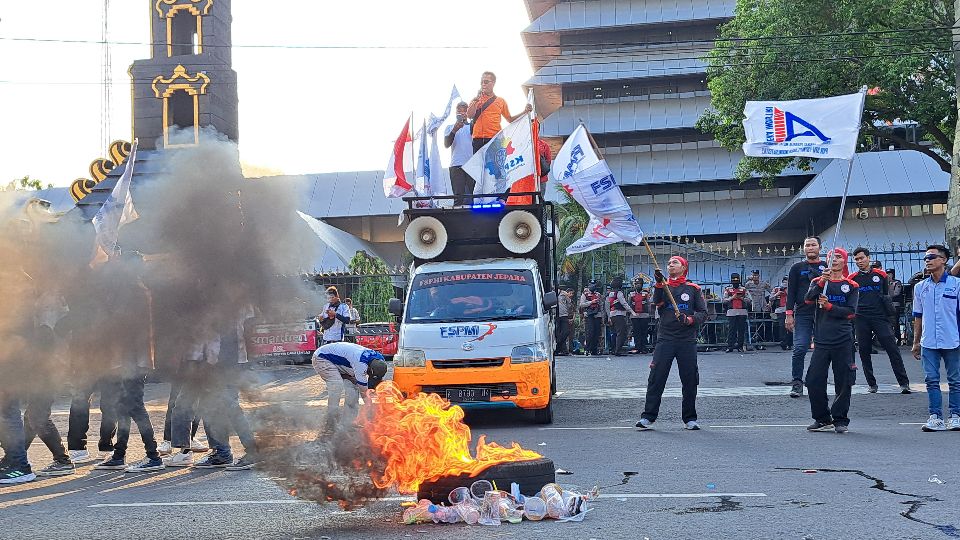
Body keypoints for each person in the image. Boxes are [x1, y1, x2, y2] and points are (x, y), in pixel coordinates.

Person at [636, 256, 707, 431]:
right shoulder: (663, 287)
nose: (670, 265)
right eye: (668, 263)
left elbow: (703, 313)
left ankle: (690, 418)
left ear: (684, 268)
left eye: (675, 262)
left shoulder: (693, 289)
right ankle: (648, 417)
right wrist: (659, 283)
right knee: (656, 377)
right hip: (665, 339)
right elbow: (657, 303)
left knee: (690, 379)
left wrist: (689, 319)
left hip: (686, 341)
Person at [804, 248, 859, 434]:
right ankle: (822, 418)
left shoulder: (851, 285)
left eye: (838, 257)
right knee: (813, 379)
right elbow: (808, 300)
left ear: (844, 261)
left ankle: (840, 419)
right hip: (821, 339)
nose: (834, 260)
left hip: (843, 339)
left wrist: (829, 306)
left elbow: (851, 312)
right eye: (831, 257)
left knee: (844, 380)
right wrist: (821, 282)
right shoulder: (818, 281)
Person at [911, 244, 960, 432]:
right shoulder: (920, 287)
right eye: (926, 258)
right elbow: (918, 316)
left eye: (932, 257)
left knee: (955, 380)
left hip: (952, 339)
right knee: (931, 379)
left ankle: (955, 415)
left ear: (944, 260)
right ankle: (935, 416)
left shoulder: (956, 285)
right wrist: (916, 342)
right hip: (929, 341)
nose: (928, 261)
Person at [851, 248, 911, 394]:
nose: (859, 261)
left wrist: (889, 316)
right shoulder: (852, 278)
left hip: (879, 317)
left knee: (892, 349)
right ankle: (872, 384)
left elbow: (886, 296)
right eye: (857, 259)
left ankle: (904, 383)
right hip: (861, 318)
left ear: (868, 258)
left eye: (862, 258)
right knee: (864, 351)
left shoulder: (881, 275)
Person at [311, 342, 388, 433]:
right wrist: (371, 410)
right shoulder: (361, 364)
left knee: (353, 387)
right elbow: (364, 394)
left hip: (340, 360)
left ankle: (348, 422)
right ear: (369, 369)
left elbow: (368, 383)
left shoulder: (380, 360)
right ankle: (331, 423)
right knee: (336, 386)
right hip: (322, 358)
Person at [786, 236, 826, 398]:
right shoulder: (797, 268)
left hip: (823, 313)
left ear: (820, 248)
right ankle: (797, 383)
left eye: (813, 245)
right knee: (800, 348)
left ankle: (817, 382)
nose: (810, 248)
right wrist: (789, 314)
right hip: (802, 313)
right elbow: (791, 292)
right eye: (807, 245)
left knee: (823, 350)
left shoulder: (827, 266)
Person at [466, 71, 533, 152]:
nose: (483, 84)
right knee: (478, 165)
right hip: (478, 139)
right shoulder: (475, 100)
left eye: (486, 82)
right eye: (481, 82)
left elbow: (510, 119)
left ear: (493, 83)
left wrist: (524, 112)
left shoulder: (500, 101)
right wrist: (476, 100)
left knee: (494, 164)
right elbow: (469, 115)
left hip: (495, 139)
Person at [443, 101, 475, 206]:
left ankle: (473, 221)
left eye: (464, 110)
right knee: (458, 198)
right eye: (459, 111)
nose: (462, 113)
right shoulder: (449, 127)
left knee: (471, 197)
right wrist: (454, 130)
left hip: (471, 165)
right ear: (455, 112)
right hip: (456, 165)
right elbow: (446, 144)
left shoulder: (473, 126)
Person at [605, 277, 636, 356]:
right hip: (619, 314)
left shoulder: (610, 293)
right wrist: (632, 311)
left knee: (614, 333)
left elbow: (607, 305)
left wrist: (609, 316)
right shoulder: (619, 293)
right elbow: (624, 303)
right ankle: (618, 350)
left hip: (612, 315)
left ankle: (613, 349)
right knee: (621, 333)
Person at [723, 273, 753, 353]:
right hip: (731, 311)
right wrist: (732, 298)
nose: (735, 282)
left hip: (742, 311)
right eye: (734, 280)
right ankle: (730, 346)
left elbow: (749, 300)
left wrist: (741, 298)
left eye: (737, 280)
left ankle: (740, 346)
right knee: (731, 330)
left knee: (741, 330)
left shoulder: (744, 289)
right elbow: (724, 300)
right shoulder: (728, 289)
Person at [628, 278, 652, 354]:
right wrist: (631, 313)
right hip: (634, 316)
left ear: (642, 285)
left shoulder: (646, 293)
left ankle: (644, 347)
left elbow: (648, 304)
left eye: (639, 284)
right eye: (636, 284)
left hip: (644, 315)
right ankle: (637, 347)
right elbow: (629, 304)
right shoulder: (631, 294)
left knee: (644, 332)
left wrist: (649, 313)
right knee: (636, 332)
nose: (638, 285)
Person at [579, 284, 603, 356]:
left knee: (597, 332)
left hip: (597, 315)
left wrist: (603, 316)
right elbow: (581, 304)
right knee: (590, 332)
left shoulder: (598, 295)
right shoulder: (585, 295)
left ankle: (594, 349)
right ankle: (587, 349)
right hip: (589, 315)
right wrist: (591, 302)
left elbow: (601, 305)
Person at [769, 276, 793, 351]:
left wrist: (787, 291)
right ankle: (783, 343)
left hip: (790, 310)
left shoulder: (792, 289)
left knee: (790, 327)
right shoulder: (776, 289)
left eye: (786, 282)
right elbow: (770, 298)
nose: (785, 283)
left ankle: (790, 343)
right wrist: (777, 294)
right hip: (780, 310)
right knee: (782, 326)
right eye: (784, 282)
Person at [886, 269, 904, 345]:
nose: (888, 275)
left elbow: (896, 293)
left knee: (895, 323)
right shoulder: (885, 282)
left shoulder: (896, 283)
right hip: (886, 305)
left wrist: (886, 296)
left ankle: (898, 339)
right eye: (887, 274)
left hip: (895, 305)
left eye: (890, 274)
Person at [555, 287, 573, 356]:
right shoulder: (552, 294)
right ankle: (562, 349)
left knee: (566, 331)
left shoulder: (564, 294)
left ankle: (558, 345)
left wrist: (567, 297)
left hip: (564, 315)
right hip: (555, 315)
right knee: (557, 332)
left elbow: (569, 305)